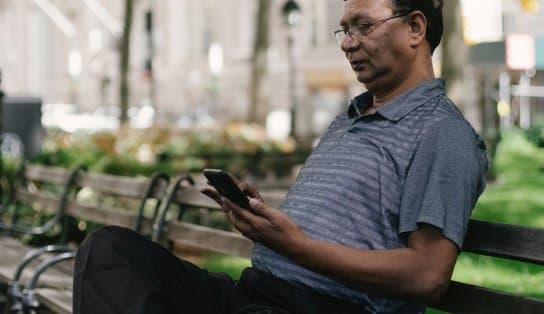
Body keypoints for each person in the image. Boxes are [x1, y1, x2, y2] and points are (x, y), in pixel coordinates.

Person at [73, 0, 488, 313]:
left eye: (363, 26)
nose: (347, 43)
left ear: (416, 28)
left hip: (318, 308)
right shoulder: (348, 118)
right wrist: (262, 220)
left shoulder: (443, 134)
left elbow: (427, 276)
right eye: (343, 29)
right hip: (253, 295)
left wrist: (294, 245)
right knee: (109, 252)